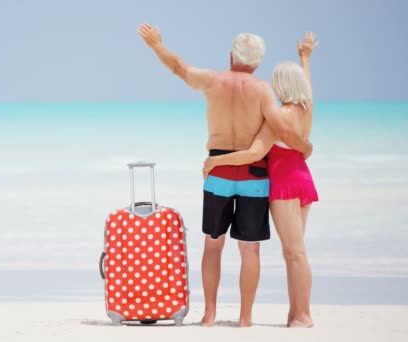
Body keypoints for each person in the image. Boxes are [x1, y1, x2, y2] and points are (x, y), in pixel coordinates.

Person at [137, 24, 312, 327]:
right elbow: (282, 129)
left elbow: (178, 67)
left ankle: (209, 315)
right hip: (254, 174)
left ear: (231, 55)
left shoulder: (212, 81)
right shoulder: (262, 90)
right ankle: (245, 319)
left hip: (217, 168)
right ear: (257, 63)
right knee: (249, 249)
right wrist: (305, 147)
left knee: (213, 244)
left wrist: (157, 45)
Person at [203, 32, 320, 328]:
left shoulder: (278, 118)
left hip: (283, 184)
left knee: (294, 251)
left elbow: (254, 152)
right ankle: (296, 313)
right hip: (303, 179)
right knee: (294, 250)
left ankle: (303, 315)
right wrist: (305, 58)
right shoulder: (306, 108)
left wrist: (216, 160)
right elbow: (307, 88)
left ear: (280, 86)